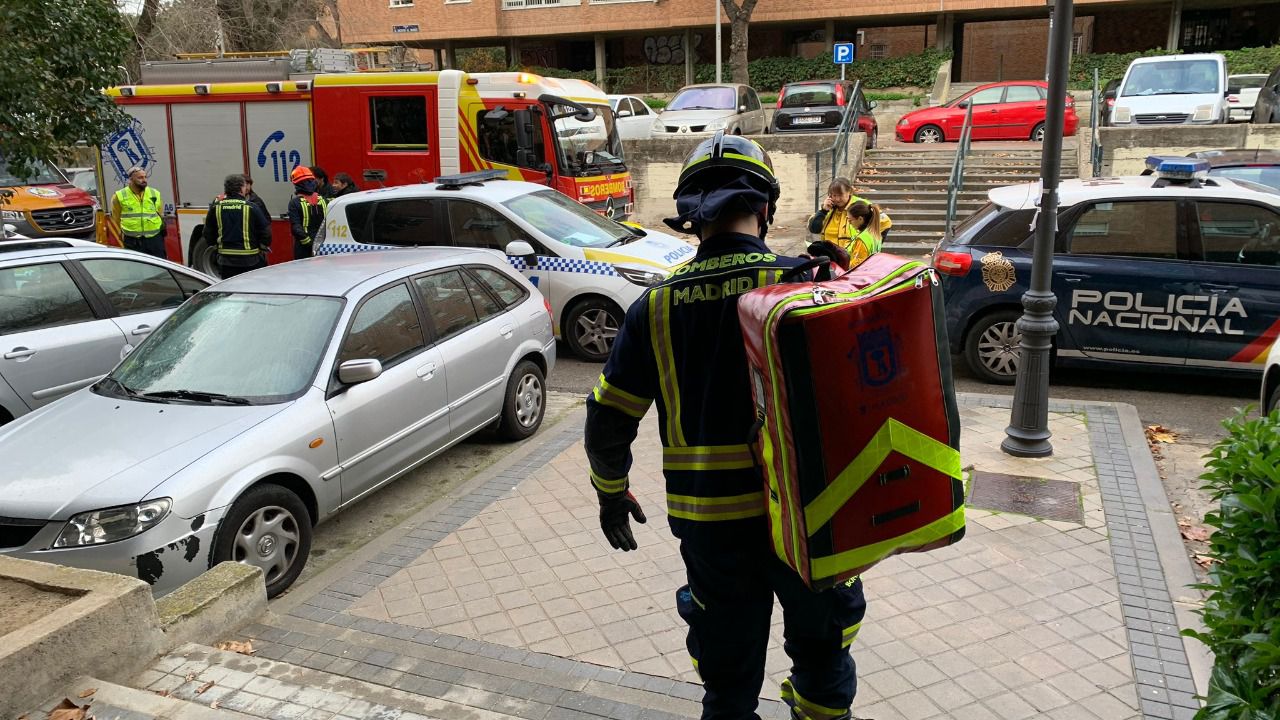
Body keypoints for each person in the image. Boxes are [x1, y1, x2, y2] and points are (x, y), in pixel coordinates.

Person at [584, 131, 867, 720]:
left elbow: (609, 417)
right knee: (821, 663)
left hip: (712, 528)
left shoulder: (654, 309)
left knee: (729, 680)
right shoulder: (806, 284)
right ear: (764, 208)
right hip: (810, 518)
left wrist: (612, 495)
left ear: (690, 218)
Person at [203, 174, 272, 278]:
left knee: (231, 290)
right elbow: (266, 232)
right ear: (241, 189)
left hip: (225, 261)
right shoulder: (252, 207)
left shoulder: (216, 208)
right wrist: (262, 245)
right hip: (250, 260)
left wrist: (215, 246)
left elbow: (207, 232)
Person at [807, 177, 893, 248]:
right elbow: (814, 229)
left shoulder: (860, 205)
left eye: (840, 195)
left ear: (849, 192)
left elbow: (885, 222)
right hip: (831, 258)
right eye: (834, 195)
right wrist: (823, 211)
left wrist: (871, 244)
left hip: (854, 259)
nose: (837, 199)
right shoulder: (828, 207)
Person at [112, 166, 167, 258]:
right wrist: (121, 234)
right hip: (133, 241)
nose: (144, 180)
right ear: (131, 179)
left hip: (154, 239)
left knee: (160, 267)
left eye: (145, 177)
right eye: (140, 178)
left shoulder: (155, 193)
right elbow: (116, 218)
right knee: (137, 268)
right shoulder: (119, 196)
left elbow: (159, 214)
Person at [287, 166, 328, 260]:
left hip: (304, 248)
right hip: (323, 245)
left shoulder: (294, 203)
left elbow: (296, 228)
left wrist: (310, 244)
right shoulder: (324, 200)